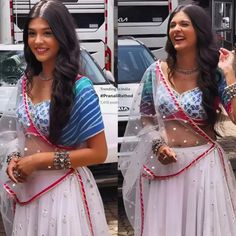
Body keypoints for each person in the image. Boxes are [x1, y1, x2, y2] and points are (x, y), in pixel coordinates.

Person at [119, 4, 236, 236]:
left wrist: (230, 74)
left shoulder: (215, 72)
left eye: (184, 24)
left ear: (200, 31)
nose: (176, 30)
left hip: (203, 167)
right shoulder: (156, 72)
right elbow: (146, 118)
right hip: (166, 166)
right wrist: (157, 144)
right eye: (172, 25)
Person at [0, 0, 110, 235]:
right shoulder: (25, 83)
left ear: (62, 36)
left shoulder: (81, 88)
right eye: (32, 33)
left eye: (47, 33)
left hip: (63, 196)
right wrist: (15, 158)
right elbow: (18, 135)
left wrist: (38, 161)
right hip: (28, 194)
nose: (37, 41)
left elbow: (99, 153)